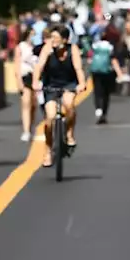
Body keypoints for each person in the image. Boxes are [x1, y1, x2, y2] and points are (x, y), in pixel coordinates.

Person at [32, 25, 86, 168]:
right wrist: (35, 81)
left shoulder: (72, 49)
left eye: (56, 38)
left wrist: (82, 83)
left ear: (65, 39)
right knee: (49, 119)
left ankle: (69, 134)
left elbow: (78, 68)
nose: (53, 41)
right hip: (51, 85)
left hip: (69, 84)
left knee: (69, 104)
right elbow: (39, 66)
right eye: (52, 38)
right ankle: (48, 150)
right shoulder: (47, 49)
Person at [89, 25, 122, 124]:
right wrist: (119, 73)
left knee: (97, 91)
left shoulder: (96, 45)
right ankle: (104, 112)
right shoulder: (110, 46)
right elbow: (113, 59)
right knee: (106, 93)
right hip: (107, 71)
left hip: (95, 70)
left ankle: (98, 108)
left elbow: (90, 57)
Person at [14, 28, 39, 142]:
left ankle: (31, 127)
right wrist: (19, 80)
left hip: (35, 76)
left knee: (34, 104)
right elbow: (17, 64)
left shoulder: (36, 47)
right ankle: (26, 131)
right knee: (26, 103)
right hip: (25, 76)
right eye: (32, 34)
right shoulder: (21, 47)